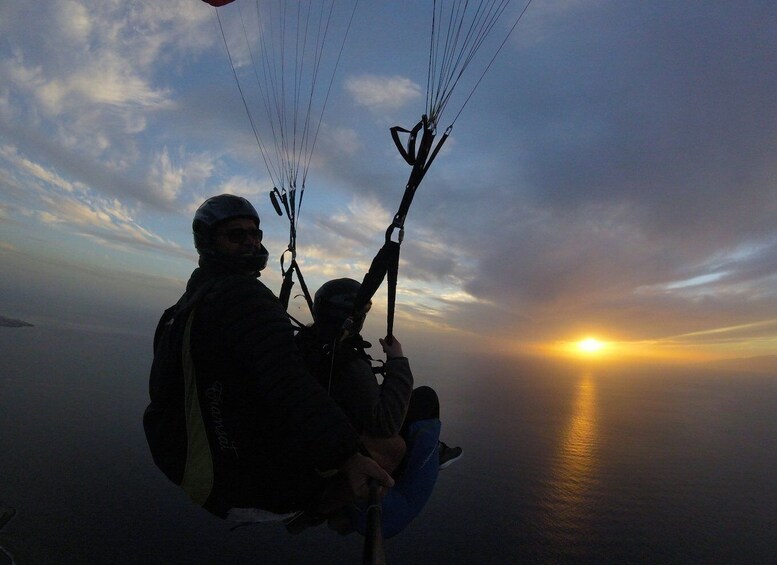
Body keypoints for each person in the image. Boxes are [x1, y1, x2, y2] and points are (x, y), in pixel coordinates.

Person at [143, 194, 393, 523]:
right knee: (389, 447)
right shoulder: (243, 297)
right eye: (236, 235)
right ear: (209, 243)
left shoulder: (184, 306)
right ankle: (327, 509)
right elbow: (288, 381)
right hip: (247, 483)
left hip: (190, 465)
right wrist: (348, 456)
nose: (250, 241)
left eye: (254, 233)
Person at [293, 278, 462, 536]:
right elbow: (385, 423)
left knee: (413, 401)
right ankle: (428, 456)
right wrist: (398, 361)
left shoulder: (307, 342)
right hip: (346, 441)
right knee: (426, 399)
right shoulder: (347, 361)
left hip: (323, 428)